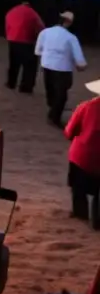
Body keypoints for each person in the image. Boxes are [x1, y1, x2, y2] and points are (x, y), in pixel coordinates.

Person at [36, 12, 88, 126]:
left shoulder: (45, 32)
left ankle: (52, 110)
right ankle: (54, 117)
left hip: (47, 65)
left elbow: (38, 51)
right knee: (61, 94)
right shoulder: (70, 37)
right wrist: (81, 65)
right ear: (68, 22)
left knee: (51, 90)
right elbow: (78, 57)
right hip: (62, 68)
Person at [65, 78, 100, 228]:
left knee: (78, 189)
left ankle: (81, 218)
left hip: (82, 156)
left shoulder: (85, 106)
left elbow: (69, 131)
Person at [5, 0, 44, 93]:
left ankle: (11, 83)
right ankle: (26, 87)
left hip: (13, 40)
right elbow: (40, 27)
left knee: (14, 63)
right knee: (29, 66)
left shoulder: (12, 11)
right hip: (27, 41)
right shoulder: (32, 13)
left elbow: (7, 24)